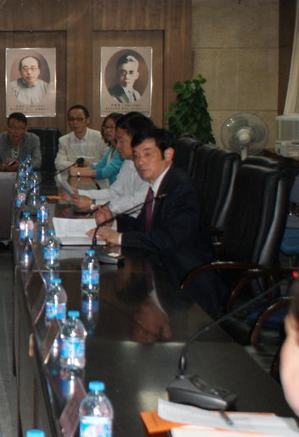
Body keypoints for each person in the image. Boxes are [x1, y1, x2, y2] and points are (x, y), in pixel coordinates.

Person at [89, 126, 218, 313]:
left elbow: (169, 239)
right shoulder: (159, 184)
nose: (140, 162)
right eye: (136, 156)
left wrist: (119, 237)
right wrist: (113, 222)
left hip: (185, 281)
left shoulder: (181, 189)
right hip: (160, 267)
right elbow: (145, 226)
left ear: (168, 154)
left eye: (148, 154)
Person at [71, 112, 152, 216]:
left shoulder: (149, 167)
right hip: (121, 217)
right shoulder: (128, 162)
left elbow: (137, 203)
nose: (118, 146)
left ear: (137, 140)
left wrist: (94, 204)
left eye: (121, 141)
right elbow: (114, 192)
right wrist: (79, 193)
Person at [67, 112, 123, 182]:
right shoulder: (112, 148)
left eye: (112, 127)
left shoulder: (121, 151)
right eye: (106, 127)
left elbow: (106, 172)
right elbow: (99, 166)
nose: (108, 130)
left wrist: (79, 172)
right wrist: (78, 169)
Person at [54, 104, 106, 173]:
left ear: (87, 120)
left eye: (79, 119)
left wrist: (92, 166)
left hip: (96, 176)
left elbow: (107, 162)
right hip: (72, 177)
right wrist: (79, 165)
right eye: (71, 119)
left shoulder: (100, 138)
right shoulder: (63, 140)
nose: (75, 122)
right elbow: (59, 164)